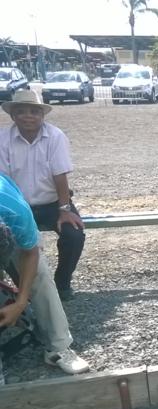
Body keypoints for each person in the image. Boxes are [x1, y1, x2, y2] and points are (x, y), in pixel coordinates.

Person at [0, 173, 89, 376]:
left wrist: (20, 302)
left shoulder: (16, 213)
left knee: (40, 276)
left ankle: (58, 346)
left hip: (9, 216)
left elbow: (30, 253)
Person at [0, 89, 85, 302]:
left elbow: (60, 175)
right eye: (21, 111)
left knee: (74, 235)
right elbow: (4, 183)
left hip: (52, 202)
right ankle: (24, 287)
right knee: (7, 240)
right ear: (13, 115)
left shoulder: (55, 136)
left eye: (34, 111)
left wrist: (64, 210)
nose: (28, 116)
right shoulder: (2, 139)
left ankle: (62, 282)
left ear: (42, 115)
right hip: (17, 205)